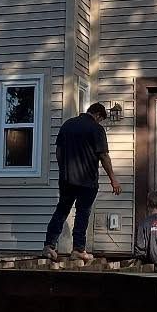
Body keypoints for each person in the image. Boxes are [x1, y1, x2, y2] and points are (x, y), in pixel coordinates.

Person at [43, 101, 120, 262]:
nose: (100, 122)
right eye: (101, 119)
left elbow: (59, 151)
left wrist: (64, 170)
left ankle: (49, 246)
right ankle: (78, 249)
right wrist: (113, 179)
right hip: (87, 180)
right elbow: (104, 156)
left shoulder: (68, 125)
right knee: (82, 213)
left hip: (66, 179)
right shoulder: (96, 129)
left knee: (62, 210)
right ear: (98, 115)